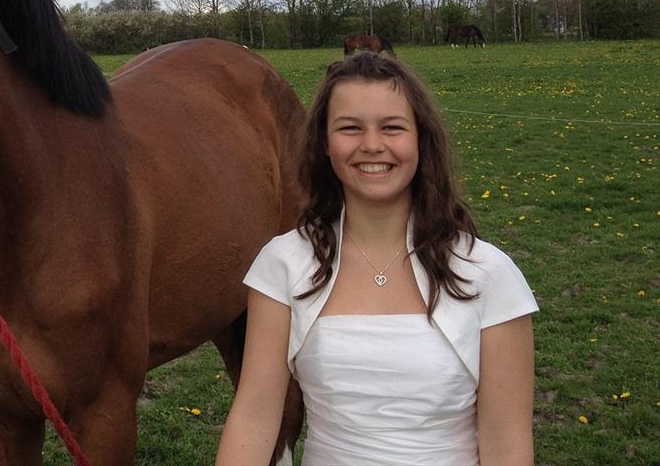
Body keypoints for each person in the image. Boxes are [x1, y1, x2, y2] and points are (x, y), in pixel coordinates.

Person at [217, 52, 537, 466]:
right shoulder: (283, 265)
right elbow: (256, 415)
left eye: (392, 128)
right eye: (350, 128)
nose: (372, 145)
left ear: (421, 140)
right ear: (325, 145)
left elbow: (506, 441)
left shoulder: (489, 274)